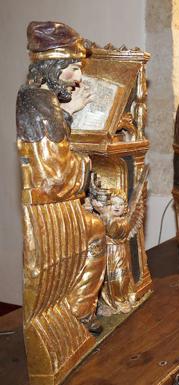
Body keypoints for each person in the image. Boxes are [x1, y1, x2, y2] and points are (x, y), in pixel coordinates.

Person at [16, 21, 106, 334]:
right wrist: (86, 165)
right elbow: (52, 177)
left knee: (95, 228)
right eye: (72, 68)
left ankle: (78, 309)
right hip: (50, 205)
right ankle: (78, 311)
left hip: (53, 198)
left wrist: (68, 113)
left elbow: (49, 147)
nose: (78, 77)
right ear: (53, 67)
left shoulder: (40, 99)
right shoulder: (40, 103)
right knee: (95, 231)